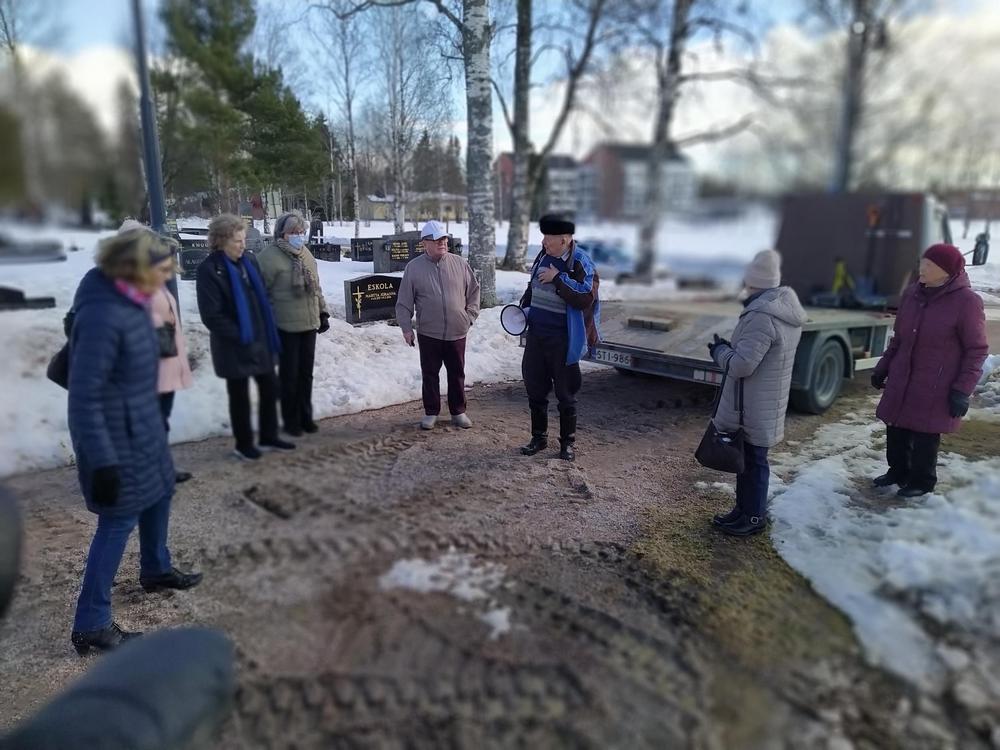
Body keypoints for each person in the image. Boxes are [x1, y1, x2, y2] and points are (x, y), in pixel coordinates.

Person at [68, 229, 202, 655]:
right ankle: (92, 623)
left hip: (142, 426)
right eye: (161, 270)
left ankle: (156, 569)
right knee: (117, 522)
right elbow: (84, 397)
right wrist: (102, 462)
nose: (167, 278)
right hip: (115, 437)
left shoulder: (131, 300)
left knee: (160, 493)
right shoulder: (104, 315)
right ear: (134, 268)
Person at [871, 243, 988, 497]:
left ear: (946, 271)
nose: (921, 269)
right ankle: (898, 472)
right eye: (921, 263)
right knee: (896, 427)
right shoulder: (911, 294)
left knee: (925, 434)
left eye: (928, 265)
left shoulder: (967, 302)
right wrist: (883, 367)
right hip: (903, 376)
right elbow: (899, 339)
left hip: (936, 383)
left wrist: (962, 390)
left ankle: (922, 482)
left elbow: (977, 350)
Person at [707, 249, 807, 536]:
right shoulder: (780, 309)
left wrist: (720, 351)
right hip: (762, 402)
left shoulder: (762, 316)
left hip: (752, 405)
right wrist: (732, 349)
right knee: (749, 461)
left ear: (753, 281)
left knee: (753, 462)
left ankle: (753, 518)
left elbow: (742, 365)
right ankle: (743, 511)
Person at [196, 214, 294, 460]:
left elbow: (263, 295)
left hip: (260, 339)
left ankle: (269, 435)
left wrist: (268, 322)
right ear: (220, 241)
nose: (243, 245)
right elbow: (212, 315)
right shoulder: (210, 270)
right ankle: (244, 444)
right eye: (237, 241)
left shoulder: (249, 261)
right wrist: (241, 336)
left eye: (243, 240)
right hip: (233, 346)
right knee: (239, 396)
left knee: (270, 388)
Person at [519, 214, 600, 462]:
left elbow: (586, 296)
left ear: (564, 240)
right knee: (535, 386)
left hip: (563, 338)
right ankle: (538, 438)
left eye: (548, 238)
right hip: (537, 334)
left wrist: (557, 278)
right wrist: (523, 307)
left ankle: (567, 444)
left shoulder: (581, 262)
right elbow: (532, 286)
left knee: (566, 392)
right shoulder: (543, 255)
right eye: (543, 237)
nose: (543, 242)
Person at [119, 220, 194, 483]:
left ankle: (161, 467)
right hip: (142, 366)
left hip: (165, 362)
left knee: (159, 420)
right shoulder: (121, 282)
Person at [395, 220, 480, 430]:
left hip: (457, 331)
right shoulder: (414, 268)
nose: (442, 243)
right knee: (430, 374)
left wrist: (468, 317)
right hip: (428, 332)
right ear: (425, 243)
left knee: (457, 373)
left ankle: (458, 411)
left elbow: (474, 292)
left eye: (444, 239)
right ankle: (431, 412)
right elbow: (404, 302)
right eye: (436, 240)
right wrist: (406, 328)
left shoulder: (460, 263)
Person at [258, 211, 330, 437]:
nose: (299, 236)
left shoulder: (305, 254)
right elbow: (260, 294)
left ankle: (305, 416)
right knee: (289, 376)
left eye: (301, 231)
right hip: (285, 326)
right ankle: (291, 420)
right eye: (294, 232)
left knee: (305, 374)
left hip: (308, 323)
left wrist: (323, 312)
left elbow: (316, 286)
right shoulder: (269, 258)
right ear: (282, 233)